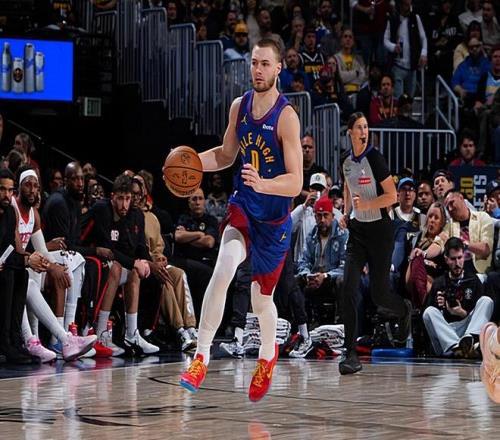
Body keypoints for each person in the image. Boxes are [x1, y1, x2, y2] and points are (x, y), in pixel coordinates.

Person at [179, 38, 302, 402]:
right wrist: (190, 162)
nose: (257, 70)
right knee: (223, 269)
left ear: (278, 68)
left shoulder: (286, 117)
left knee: (261, 301)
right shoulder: (240, 106)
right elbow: (225, 154)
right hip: (244, 207)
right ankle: (201, 356)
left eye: (265, 64)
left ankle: (267, 354)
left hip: (274, 221)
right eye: (254, 63)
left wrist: (264, 183)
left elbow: (296, 182)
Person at [339, 112, 412, 375]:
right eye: (359, 127)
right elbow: (348, 186)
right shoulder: (346, 160)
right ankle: (350, 353)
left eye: (366, 127)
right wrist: (346, 213)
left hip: (381, 230)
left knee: (379, 294)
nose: (364, 131)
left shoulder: (375, 159)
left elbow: (392, 196)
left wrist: (367, 204)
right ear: (350, 132)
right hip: (358, 231)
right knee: (347, 286)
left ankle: (404, 309)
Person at [423, 237, 493, 358]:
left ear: (464, 256)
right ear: (446, 259)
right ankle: (456, 346)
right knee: (428, 312)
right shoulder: (439, 283)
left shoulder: (473, 280)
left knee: (487, 301)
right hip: (446, 332)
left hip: (467, 328)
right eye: (453, 259)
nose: (457, 263)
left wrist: (462, 313)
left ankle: (468, 341)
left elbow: (477, 315)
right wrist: (440, 306)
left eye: (460, 258)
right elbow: (431, 318)